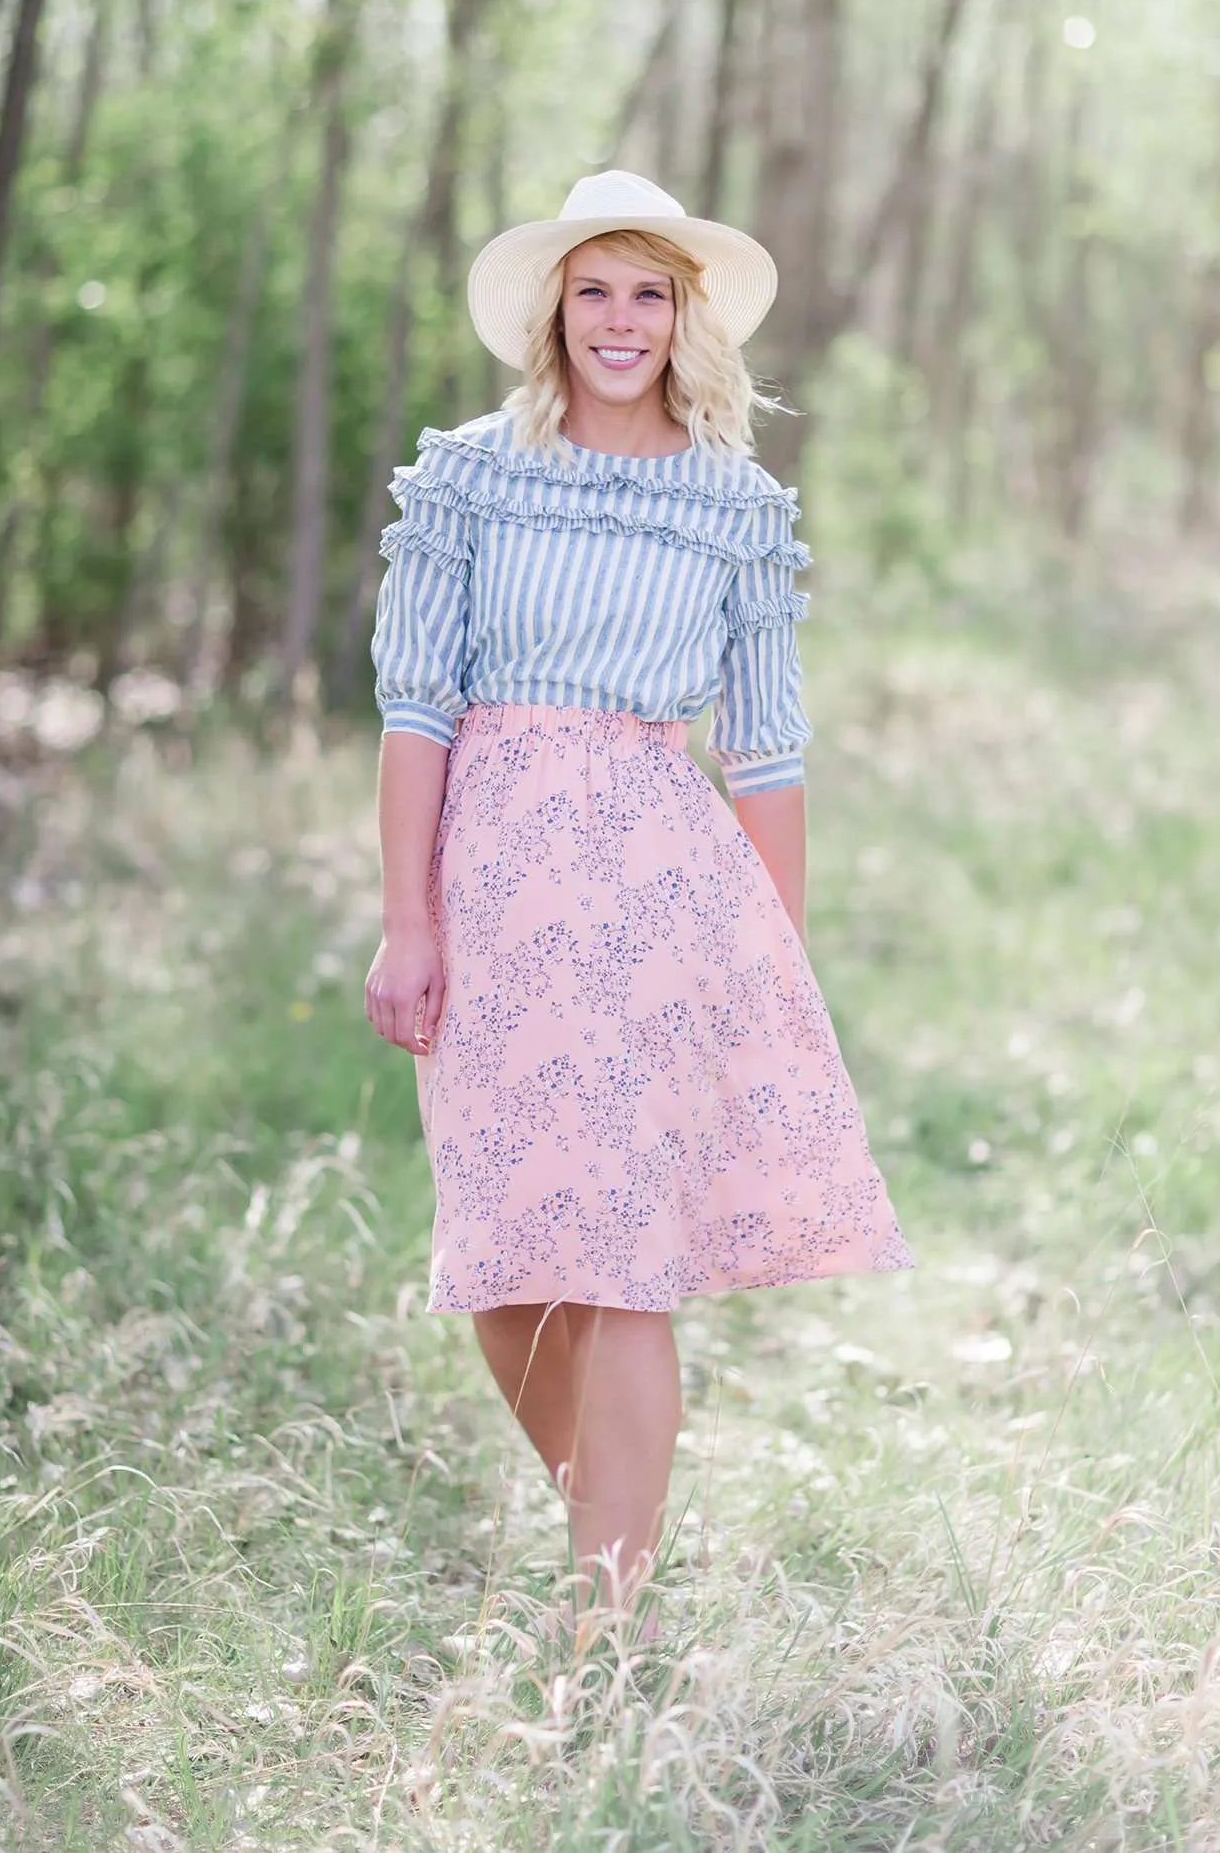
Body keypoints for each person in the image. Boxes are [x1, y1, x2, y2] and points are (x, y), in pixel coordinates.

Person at [364, 170, 913, 1633]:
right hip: (489, 882)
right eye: (595, 289)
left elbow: (771, 749)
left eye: (648, 293)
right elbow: (416, 708)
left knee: (618, 1253)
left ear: (687, 319)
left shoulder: (736, 505)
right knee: (502, 1252)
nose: (621, 320)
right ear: (556, 309)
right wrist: (407, 919)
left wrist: (769, 964)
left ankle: (608, 1611)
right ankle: (602, 1514)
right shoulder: (470, 474)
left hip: (659, 889)